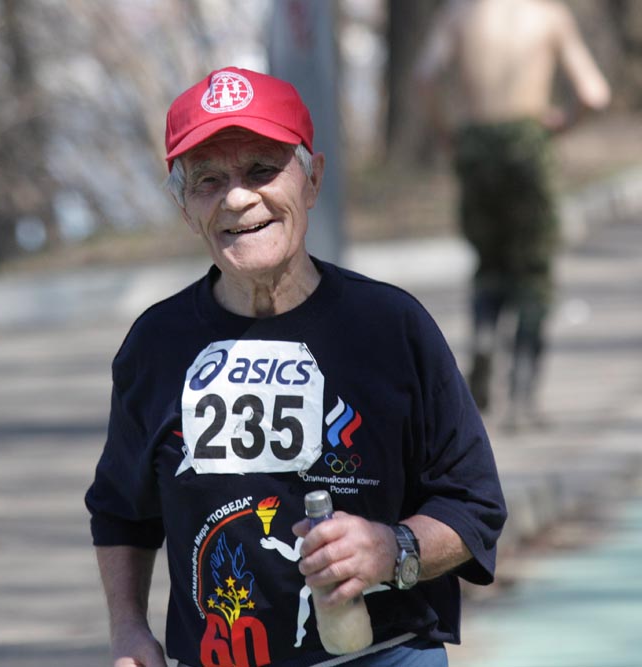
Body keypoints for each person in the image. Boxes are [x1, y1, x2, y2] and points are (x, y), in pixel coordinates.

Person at [85, 66, 506, 667]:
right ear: (184, 206)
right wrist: (128, 629)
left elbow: (473, 504)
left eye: (262, 170)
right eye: (208, 180)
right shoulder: (156, 345)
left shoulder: (390, 327)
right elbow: (121, 510)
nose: (237, 198)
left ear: (312, 180)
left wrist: (393, 549)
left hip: (386, 655)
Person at [415, 0, 612, 430]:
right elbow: (595, 94)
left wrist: (449, 134)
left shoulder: (459, 15)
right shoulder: (548, 16)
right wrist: (561, 125)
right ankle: (522, 395)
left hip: (476, 148)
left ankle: (484, 339)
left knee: (489, 263)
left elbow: (425, 78)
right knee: (533, 273)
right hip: (528, 144)